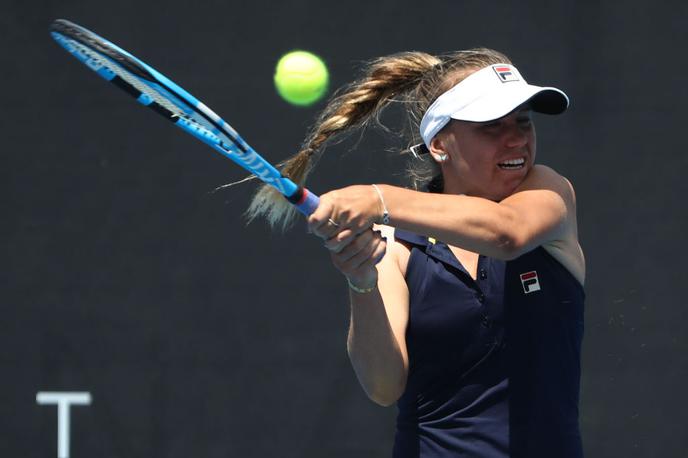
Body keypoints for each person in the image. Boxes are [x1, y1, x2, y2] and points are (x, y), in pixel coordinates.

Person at [249, 49, 585, 457]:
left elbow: (507, 234)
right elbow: (383, 386)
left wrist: (378, 197)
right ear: (440, 144)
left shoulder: (549, 192)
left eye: (522, 122)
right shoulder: (394, 245)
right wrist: (362, 280)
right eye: (492, 126)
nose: (515, 138)